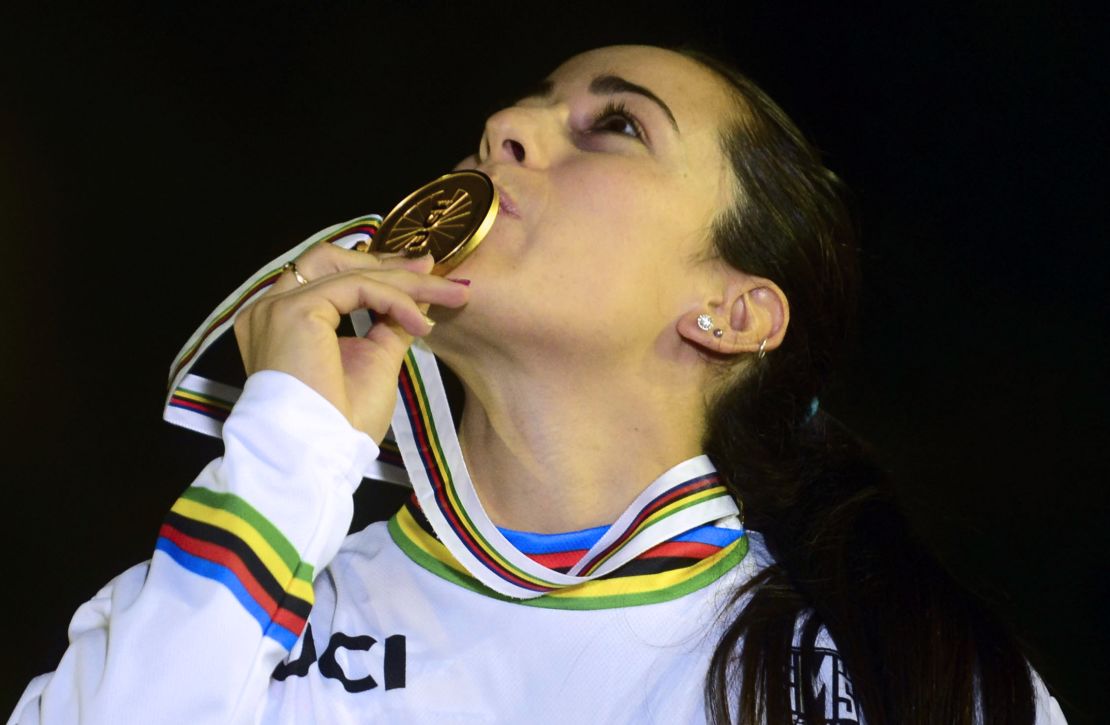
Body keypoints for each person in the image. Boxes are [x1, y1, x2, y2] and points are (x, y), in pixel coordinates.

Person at [9, 44, 1067, 724]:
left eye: (616, 126)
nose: (504, 129)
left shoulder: (898, 675)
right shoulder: (241, 599)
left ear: (733, 312)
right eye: (519, 116)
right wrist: (286, 459)